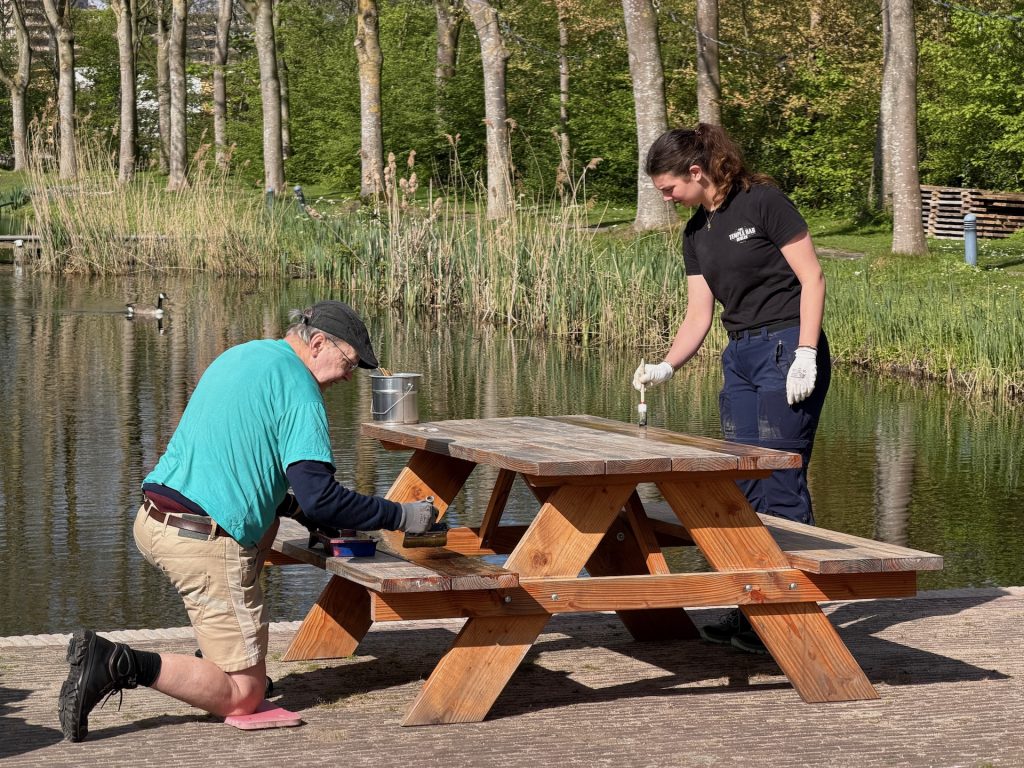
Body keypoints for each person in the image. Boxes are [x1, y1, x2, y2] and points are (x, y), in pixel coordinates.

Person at [58, 300, 438, 742]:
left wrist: (295, 509)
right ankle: (116, 662)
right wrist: (402, 516)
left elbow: (241, 465)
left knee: (270, 529)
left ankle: (218, 657)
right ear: (317, 344)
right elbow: (323, 500)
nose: (349, 377)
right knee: (244, 695)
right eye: (350, 364)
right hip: (201, 541)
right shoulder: (301, 392)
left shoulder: (244, 355)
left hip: (153, 519)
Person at [633, 124, 831, 654]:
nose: (668, 200)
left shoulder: (763, 203)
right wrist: (666, 366)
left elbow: (812, 279)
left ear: (696, 172)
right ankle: (753, 615)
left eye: (670, 189)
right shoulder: (696, 233)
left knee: (780, 481)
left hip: (787, 346)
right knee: (740, 484)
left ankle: (793, 621)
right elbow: (700, 313)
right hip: (740, 354)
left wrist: (807, 352)